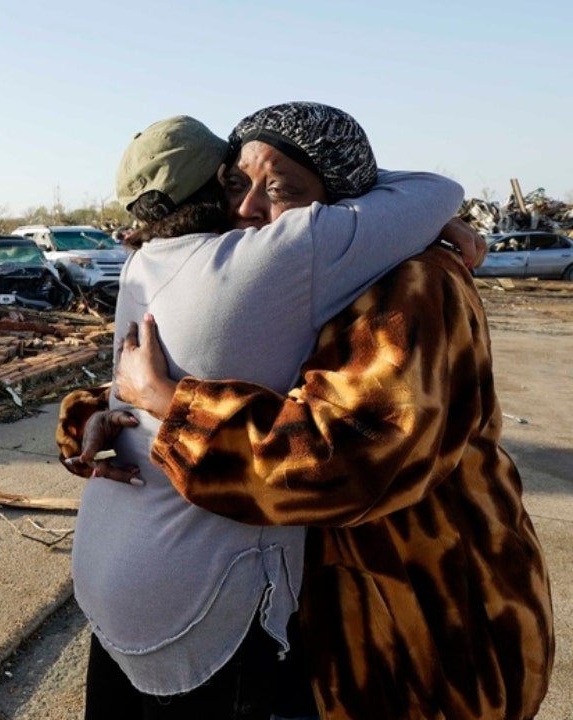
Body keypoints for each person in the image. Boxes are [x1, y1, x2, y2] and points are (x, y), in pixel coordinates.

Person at [57, 103, 477, 720]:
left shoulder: (410, 285)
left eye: (280, 191)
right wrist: (122, 409)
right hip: (218, 593)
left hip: (385, 585)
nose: (250, 208)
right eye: (235, 183)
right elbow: (435, 190)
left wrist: (163, 404)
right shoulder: (273, 253)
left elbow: (350, 462)